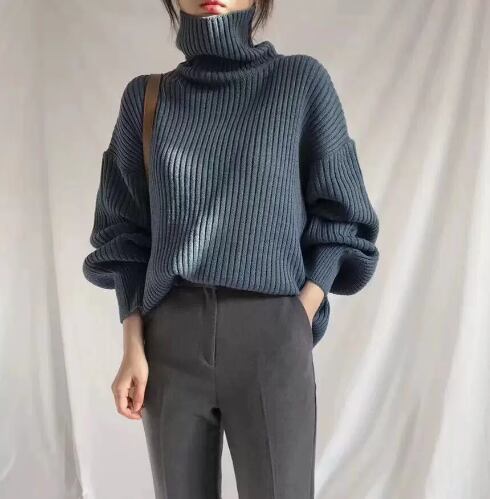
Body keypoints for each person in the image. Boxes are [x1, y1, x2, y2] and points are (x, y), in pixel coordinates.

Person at [82, 1, 380, 497]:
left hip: (271, 334)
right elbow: (125, 234)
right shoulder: (147, 98)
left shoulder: (299, 84)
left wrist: (299, 311)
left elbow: (344, 215)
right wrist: (133, 345)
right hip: (169, 341)